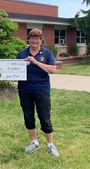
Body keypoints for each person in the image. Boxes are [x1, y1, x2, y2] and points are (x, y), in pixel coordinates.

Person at [17, 28, 59, 157]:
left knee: (45, 117)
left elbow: (53, 70)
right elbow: (14, 69)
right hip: (25, 90)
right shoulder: (22, 53)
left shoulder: (46, 53)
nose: (35, 40)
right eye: (32, 37)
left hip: (42, 90)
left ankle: (50, 145)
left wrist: (36, 62)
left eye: (37, 38)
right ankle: (34, 142)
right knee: (28, 116)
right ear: (28, 39)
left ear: (41, 40)